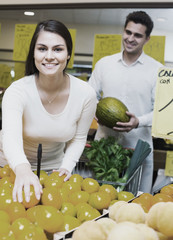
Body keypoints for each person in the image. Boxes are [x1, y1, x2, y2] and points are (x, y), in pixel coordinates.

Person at [1, 20, 97, 203]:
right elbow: (10, 137)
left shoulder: (85, 94)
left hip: (54, 173)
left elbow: (78, 138)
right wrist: (22, 170)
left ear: (68, 54)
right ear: (34, 53)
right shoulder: (17, 91)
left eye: (58, 49)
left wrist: (67, 167)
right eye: (42, 48)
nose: (49, 56)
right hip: (12, 168)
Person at [88, 11, 163, 193]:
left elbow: (163, 111)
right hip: (103, 151)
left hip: (139, 150)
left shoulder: (157, 70)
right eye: (128, 32)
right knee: (98, 202)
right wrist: (96, 111)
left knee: (137, 204)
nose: (130, 38)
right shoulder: (104, 64)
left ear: (147, 39)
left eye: (138, 35)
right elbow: (88, 96)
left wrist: (139, 121)